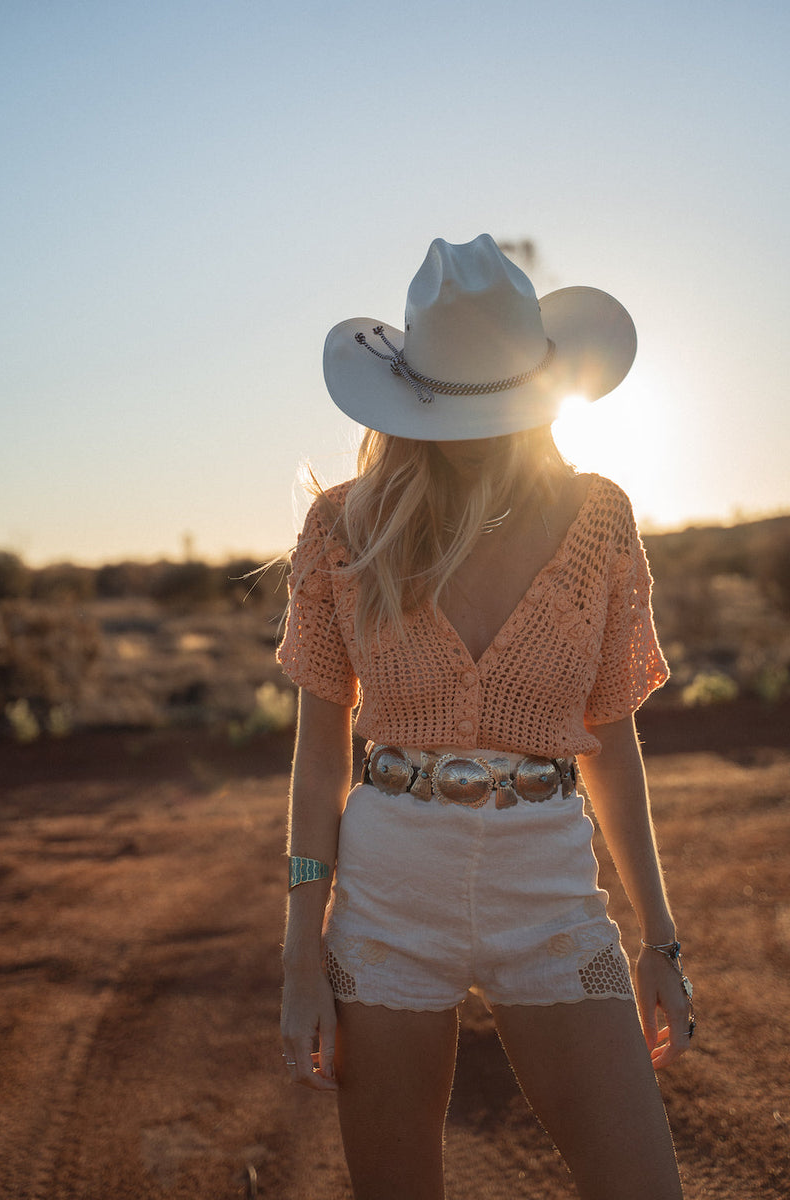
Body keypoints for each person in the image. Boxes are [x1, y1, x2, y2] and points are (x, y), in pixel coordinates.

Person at [276, 234, 695, 1200]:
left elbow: (614, 745)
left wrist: (659, 940)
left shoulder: (600, 519)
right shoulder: (344, 525)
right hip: (386, 898)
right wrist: (301, 961)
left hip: (549, 887)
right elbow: (315, 763)